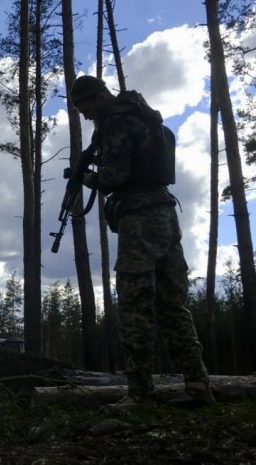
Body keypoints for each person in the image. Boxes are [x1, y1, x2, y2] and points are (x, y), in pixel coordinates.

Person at [69, 75, 215, 412]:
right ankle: (197, 385)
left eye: (87, 104)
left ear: (102, 95)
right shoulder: (143, 116)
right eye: (80, 108)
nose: (86, 112)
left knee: (135, 307)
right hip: (165, 214)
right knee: (172, 305)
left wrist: (89, 178)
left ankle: (140, 394)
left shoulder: (116, 122)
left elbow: (114, 178)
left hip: (139, 221)